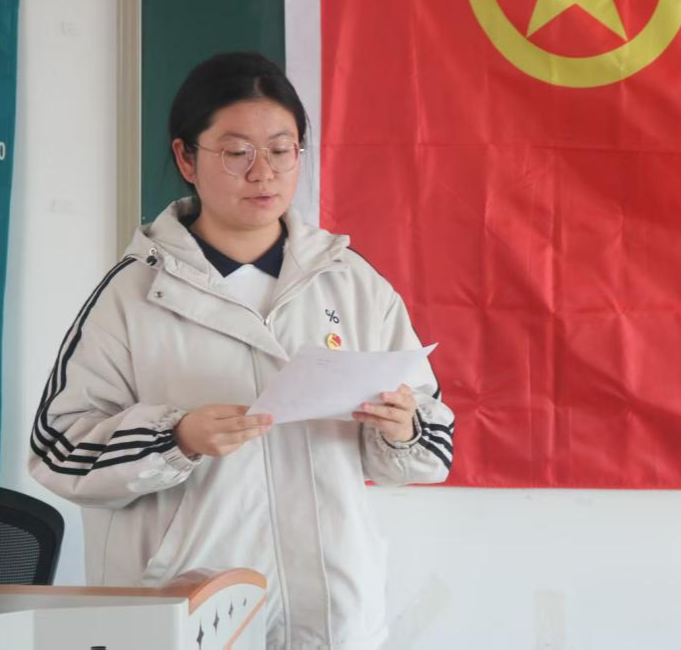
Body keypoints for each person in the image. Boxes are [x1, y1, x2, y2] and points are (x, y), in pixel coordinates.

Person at [29, 51, 454, 649]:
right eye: (237, 153)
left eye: (281, 150)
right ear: (187, 158)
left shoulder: (353, 284)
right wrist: (175, 438)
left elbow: (431, 447)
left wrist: (401, 430)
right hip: (187, 615)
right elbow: (58, 451)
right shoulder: (133, 293)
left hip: (330, 614)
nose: (263, 173)